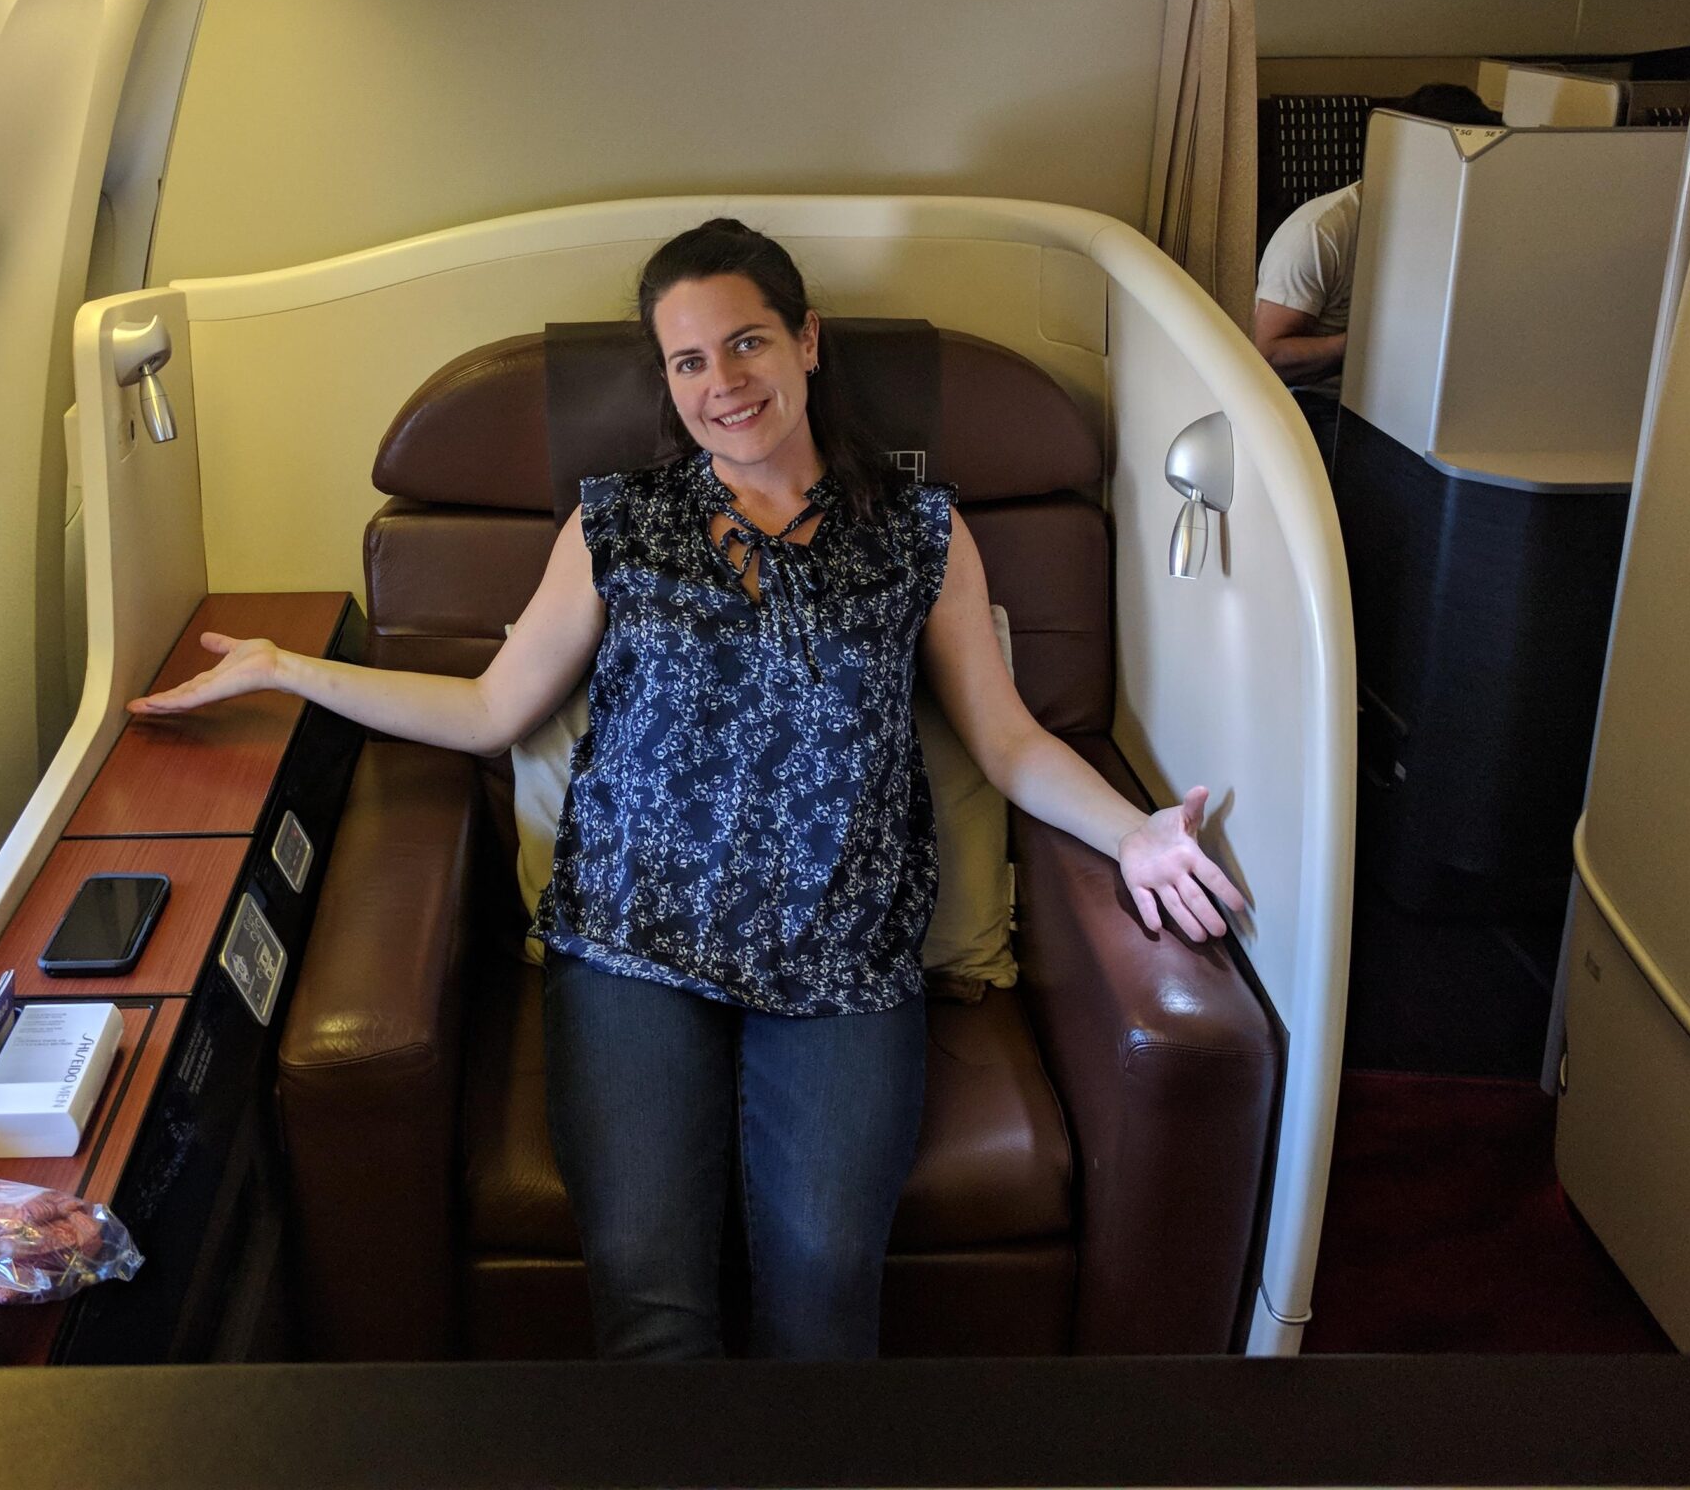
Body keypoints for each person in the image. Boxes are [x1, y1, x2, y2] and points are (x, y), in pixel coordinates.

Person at [127, 218, 1244, 1361]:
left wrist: (1137, 837)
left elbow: (1006, 742)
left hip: (841, 957)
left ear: (807, 342)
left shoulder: (921, 532)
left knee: (823, 1305)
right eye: (690, 361)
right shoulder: (616, 522)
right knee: (652, 1310)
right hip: (629, 948)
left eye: (748, 343)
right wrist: (289, 671)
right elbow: (488, 711)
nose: (725, 384)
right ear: (667, 380)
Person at [1252, 83, 1502, 395]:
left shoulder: (1469, 218)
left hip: (1423, 389)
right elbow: (1269, 357)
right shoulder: (1320, 232)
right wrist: (1371, 343)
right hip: (1327, 402)